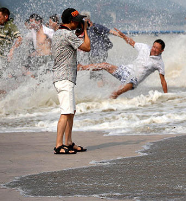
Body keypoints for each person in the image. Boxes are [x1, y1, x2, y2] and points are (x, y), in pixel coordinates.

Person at [77, 28, 168, 99]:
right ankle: (81, 67)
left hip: (133, 80)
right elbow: (132, 42)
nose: (154, 49)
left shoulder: (159, 63)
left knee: (115, 93)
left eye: (157, 48)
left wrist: (166, 95)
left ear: (162, 50)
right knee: (105, 65)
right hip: (125, 70)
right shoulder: (144, 47)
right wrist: (123, 36)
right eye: (154, 46)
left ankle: (104, 106)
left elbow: (162, 81)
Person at [52, 8, 90, 154]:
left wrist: (79, 31)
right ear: (71, 21)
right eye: (77, 20)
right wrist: (85, 31)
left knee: (71, 111)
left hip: (63, 78)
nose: (78, 22)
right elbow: (87, 47)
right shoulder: (67, 34)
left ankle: (68, 142)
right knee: (65, 112)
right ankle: (58, 145)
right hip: (64, 78)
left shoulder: (60, 33)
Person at [79, 11, 118, 85]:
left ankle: (102, 94)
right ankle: (113, 86)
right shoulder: (85, 30)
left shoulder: (96, 27)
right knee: (95, 75)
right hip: (94, 55)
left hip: (98, 55)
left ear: (87, 20)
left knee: (97, 76)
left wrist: (123, 36)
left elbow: (110, 31)